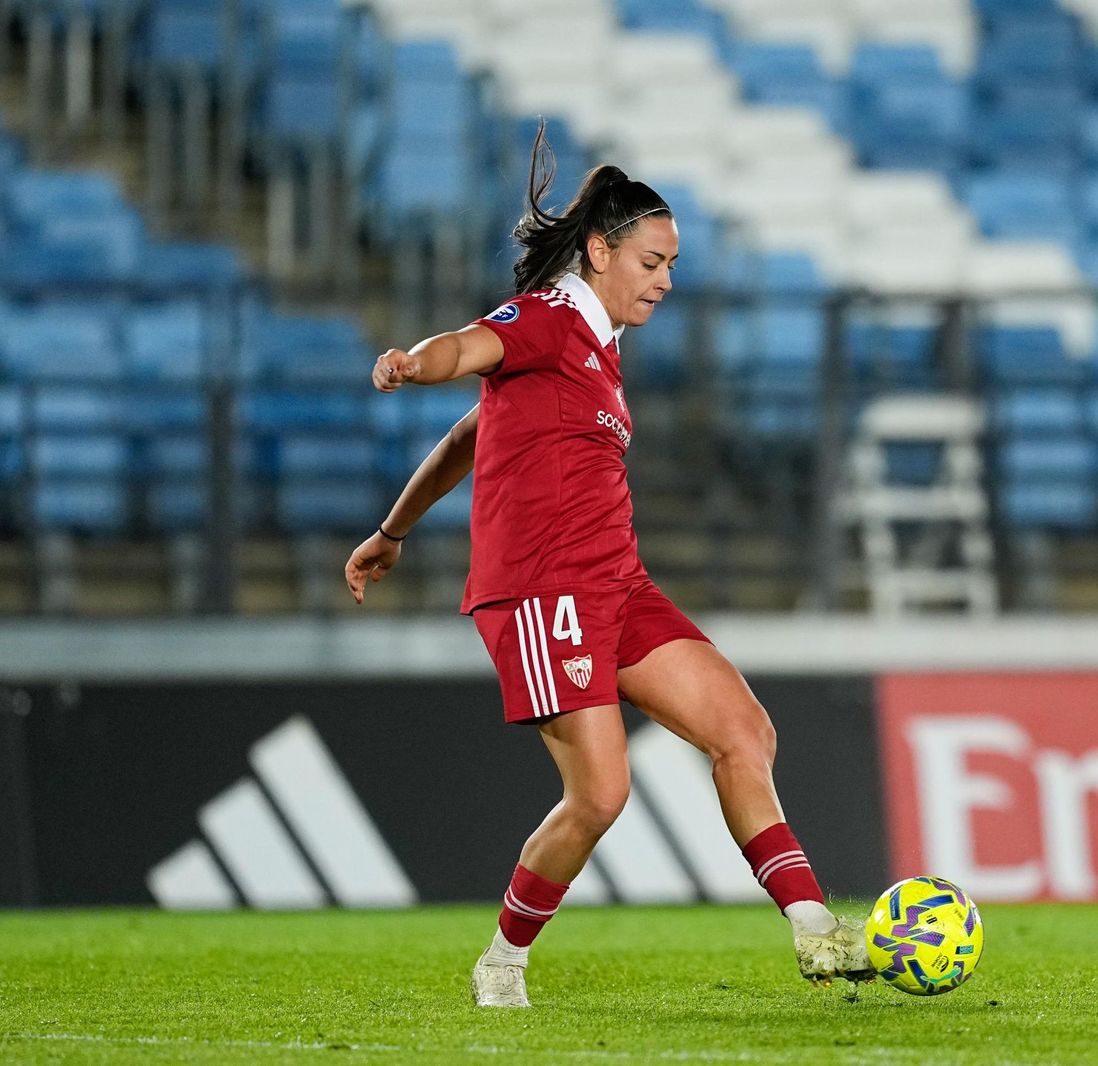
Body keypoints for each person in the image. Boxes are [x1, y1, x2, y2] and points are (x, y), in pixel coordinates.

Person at [343, 130, 871, 1008]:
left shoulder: (596, 347)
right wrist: (415, 364)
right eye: (654, 261)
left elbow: (476, 433)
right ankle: (503, 959)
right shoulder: (547, 318)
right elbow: (467, 347)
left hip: (617, 584)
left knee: (745, 731)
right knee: (600, 794)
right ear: (600, 251)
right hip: (543, 589)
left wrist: (394, 528)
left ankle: (815, 929)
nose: (667, 280)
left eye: (671, 264)